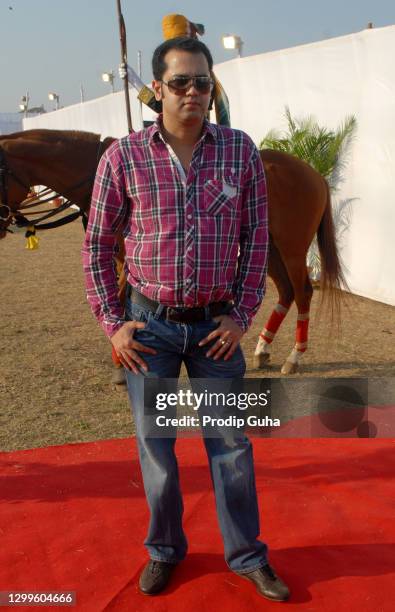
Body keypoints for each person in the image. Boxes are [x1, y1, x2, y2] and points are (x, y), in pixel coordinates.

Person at [82, 36, 290, 602]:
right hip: (148, 330)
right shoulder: (122, 158)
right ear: (157, 89)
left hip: (215, 331)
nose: (194, 92)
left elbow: (257, 239)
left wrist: (242, 316)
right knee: (156, 446)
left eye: (204, 82)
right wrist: (112, 322)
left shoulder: (239, 151)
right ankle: (164, 551)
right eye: (181, 82)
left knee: (231, 445)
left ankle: (247, 555)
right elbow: (98, 245)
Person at [119, 13, 231, 127]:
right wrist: (135, 82)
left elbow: (161, 106)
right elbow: (163, 104)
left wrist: (136, 83)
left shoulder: (205, 78)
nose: (191, 92)